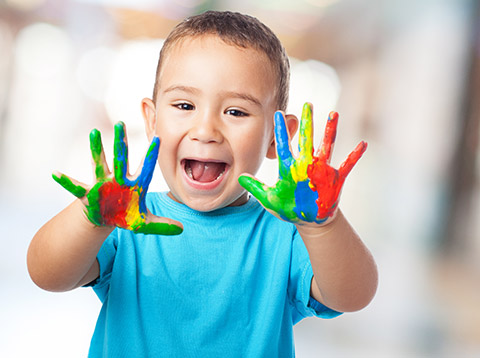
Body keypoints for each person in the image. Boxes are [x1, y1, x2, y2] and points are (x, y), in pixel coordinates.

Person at [27, 10, 378, 357]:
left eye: (236, 112)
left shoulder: (286, 236)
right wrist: (89, 221)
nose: (206, 131)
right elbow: (46, 274)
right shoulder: (127, 222)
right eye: (184, 105)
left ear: (276, 137)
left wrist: (323, 226)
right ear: (152, 121)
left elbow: (353, 295)